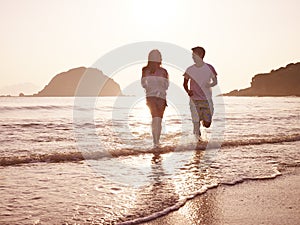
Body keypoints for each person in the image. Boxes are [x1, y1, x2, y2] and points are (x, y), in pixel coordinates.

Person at [183, 46, 218, 142]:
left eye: (194, 55)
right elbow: (185, 83)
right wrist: (188, 91)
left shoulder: (209, 68)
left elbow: (215, 82)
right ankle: (197, 143)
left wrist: (210, 84)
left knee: (207, 124)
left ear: (201, 55)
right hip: (194, 99)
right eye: (192, 55)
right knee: (196, 124)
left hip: (206, 99)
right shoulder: (190, 69)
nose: (193, 57)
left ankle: (203, 119)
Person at [141, 49, 169, 148]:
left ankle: (155, 141)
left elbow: (143, 84)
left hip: (151, 96)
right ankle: (156, 141)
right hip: (160, 97)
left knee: (155, 119)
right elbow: (166, 86)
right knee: (158, 119)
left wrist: (150, 84)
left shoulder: (145, 70)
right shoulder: (163, 71)